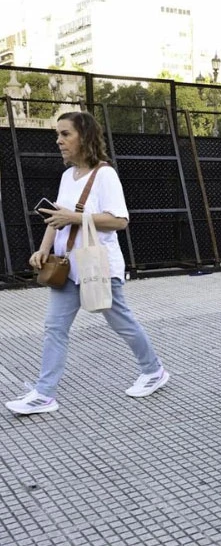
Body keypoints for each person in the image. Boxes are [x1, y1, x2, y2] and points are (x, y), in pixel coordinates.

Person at [5, 111, 168, 415]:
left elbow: (120, 221)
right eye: (58, 135)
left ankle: (154, 370)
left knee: (122, 324)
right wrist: (43, 250)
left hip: (97, 268)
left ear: (85, 137)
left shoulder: (105, 175)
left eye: (65, 134)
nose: (59, 141)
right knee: (54, 328)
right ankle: (44, 394)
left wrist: (76, 217)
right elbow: (56, 218)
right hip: (66, 268)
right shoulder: (67, 176)